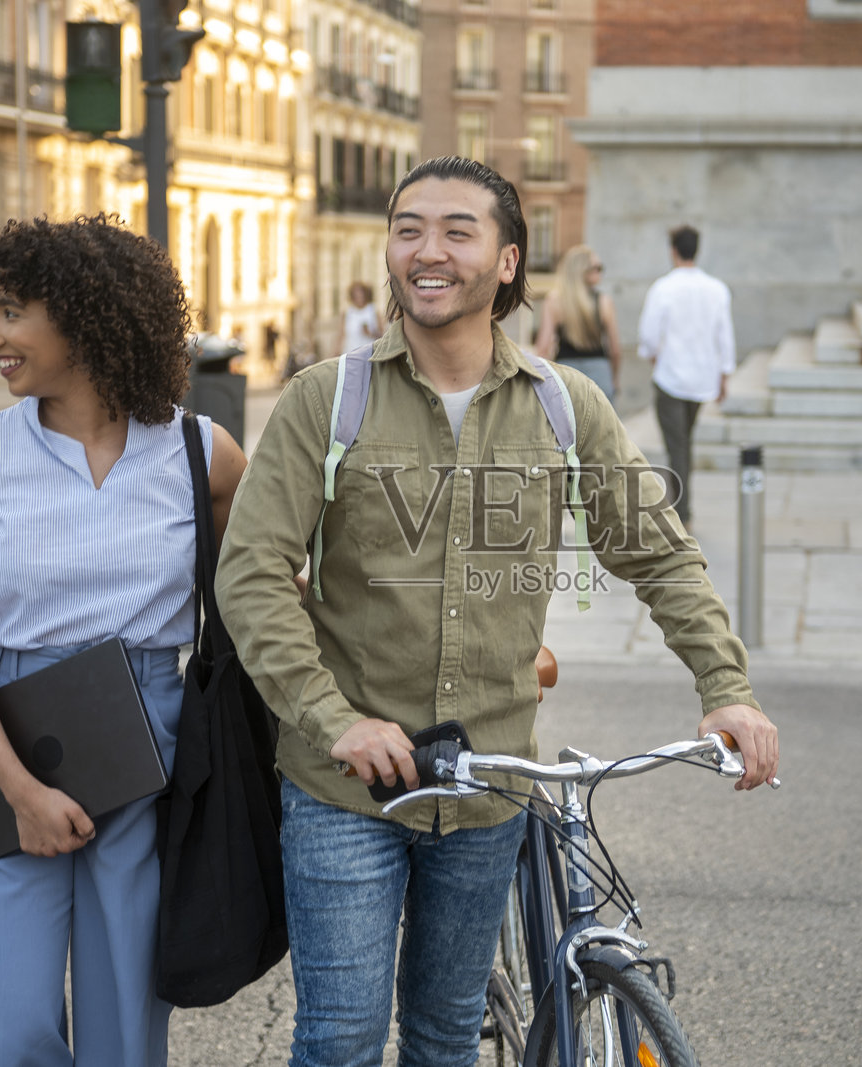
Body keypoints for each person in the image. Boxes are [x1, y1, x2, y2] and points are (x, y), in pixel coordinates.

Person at [214, 156, 778, 1067]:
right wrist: (334, 719)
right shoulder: (330, 397)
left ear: (508, 261)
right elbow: (251, 572)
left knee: (446, 1039)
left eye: (456, 231)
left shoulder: (563, 405)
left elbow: (660, 553)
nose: (426, 251)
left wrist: (727, 687)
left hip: (489, 790)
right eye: (408, 229)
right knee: (341, 1038)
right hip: (345, 787)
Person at [0, 214, 247, 1066]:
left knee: (125, 1033)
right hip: (9, 737)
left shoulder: (201, 454)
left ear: (85, 317)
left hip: (151, 748)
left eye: (11, 312)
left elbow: (270, 597)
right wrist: (19, 788)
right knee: (8, 1023)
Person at [637, 224, 735, 529]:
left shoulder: (663, 288)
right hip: (702, 379)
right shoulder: (717, 289)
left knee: (677, 446)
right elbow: (725, 335)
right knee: (683, 443)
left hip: (671, 378)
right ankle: (682, 509)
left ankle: (682, 513)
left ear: (673, 251)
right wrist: (724, 375)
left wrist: (653, 355)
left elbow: (648, 334)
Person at [534, 244, 622, 401]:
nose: (601, 272)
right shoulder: (604, 302)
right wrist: (614, 379)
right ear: (581, 270)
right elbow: (615, 350)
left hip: (565, 375)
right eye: (597, 268)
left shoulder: (554, 302)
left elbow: (543, 348)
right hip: (600, 374)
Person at [340, 280, 382, 355]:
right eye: (356, 295)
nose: (359, 297)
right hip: (350, 353)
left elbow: (382, 336)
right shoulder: (347, 312)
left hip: (369, 354)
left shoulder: (373, 310)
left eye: (361, 294)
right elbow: (341, 336)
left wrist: (370, 333)